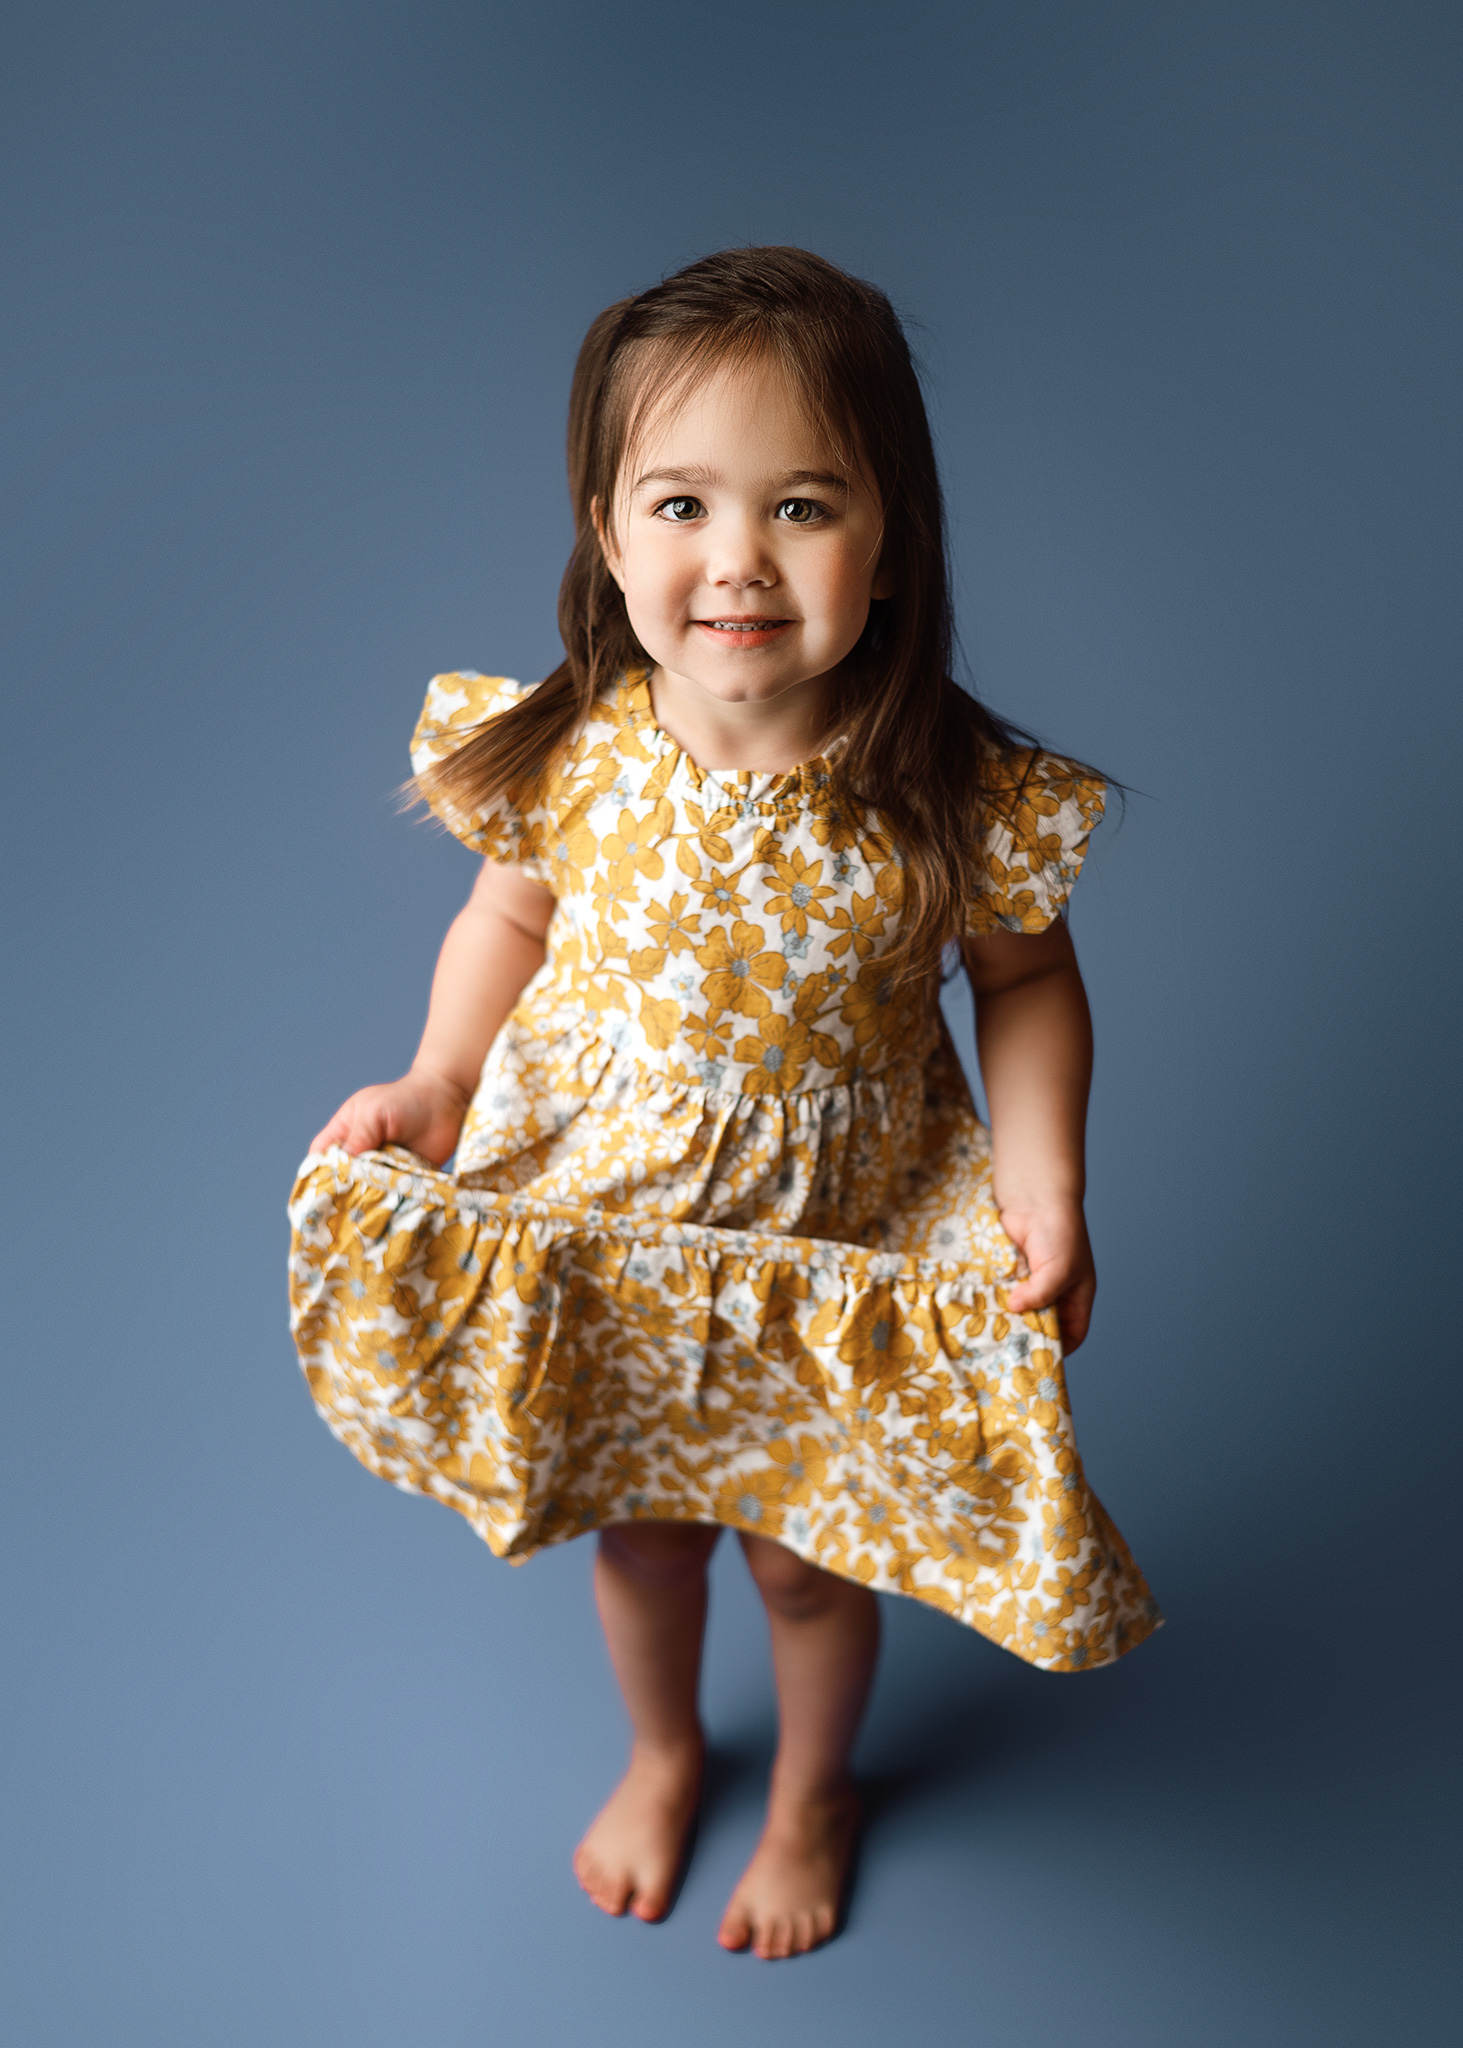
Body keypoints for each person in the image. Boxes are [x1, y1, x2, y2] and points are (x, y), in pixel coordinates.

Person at [290, 246, 1160, 1962]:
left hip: (830, 1241)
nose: (736, 561)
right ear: (607, 533)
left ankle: (813, 1790)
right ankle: (669, 1747)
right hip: (621, 1222)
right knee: (648, 1537)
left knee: (806, 1563)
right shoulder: (576, 747)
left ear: (890, 539)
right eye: (681, 503)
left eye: (805, 507)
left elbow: (1029, 985)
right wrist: (442, 1079)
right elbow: (508, 915)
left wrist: (1044, 1181)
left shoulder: (945, 793)